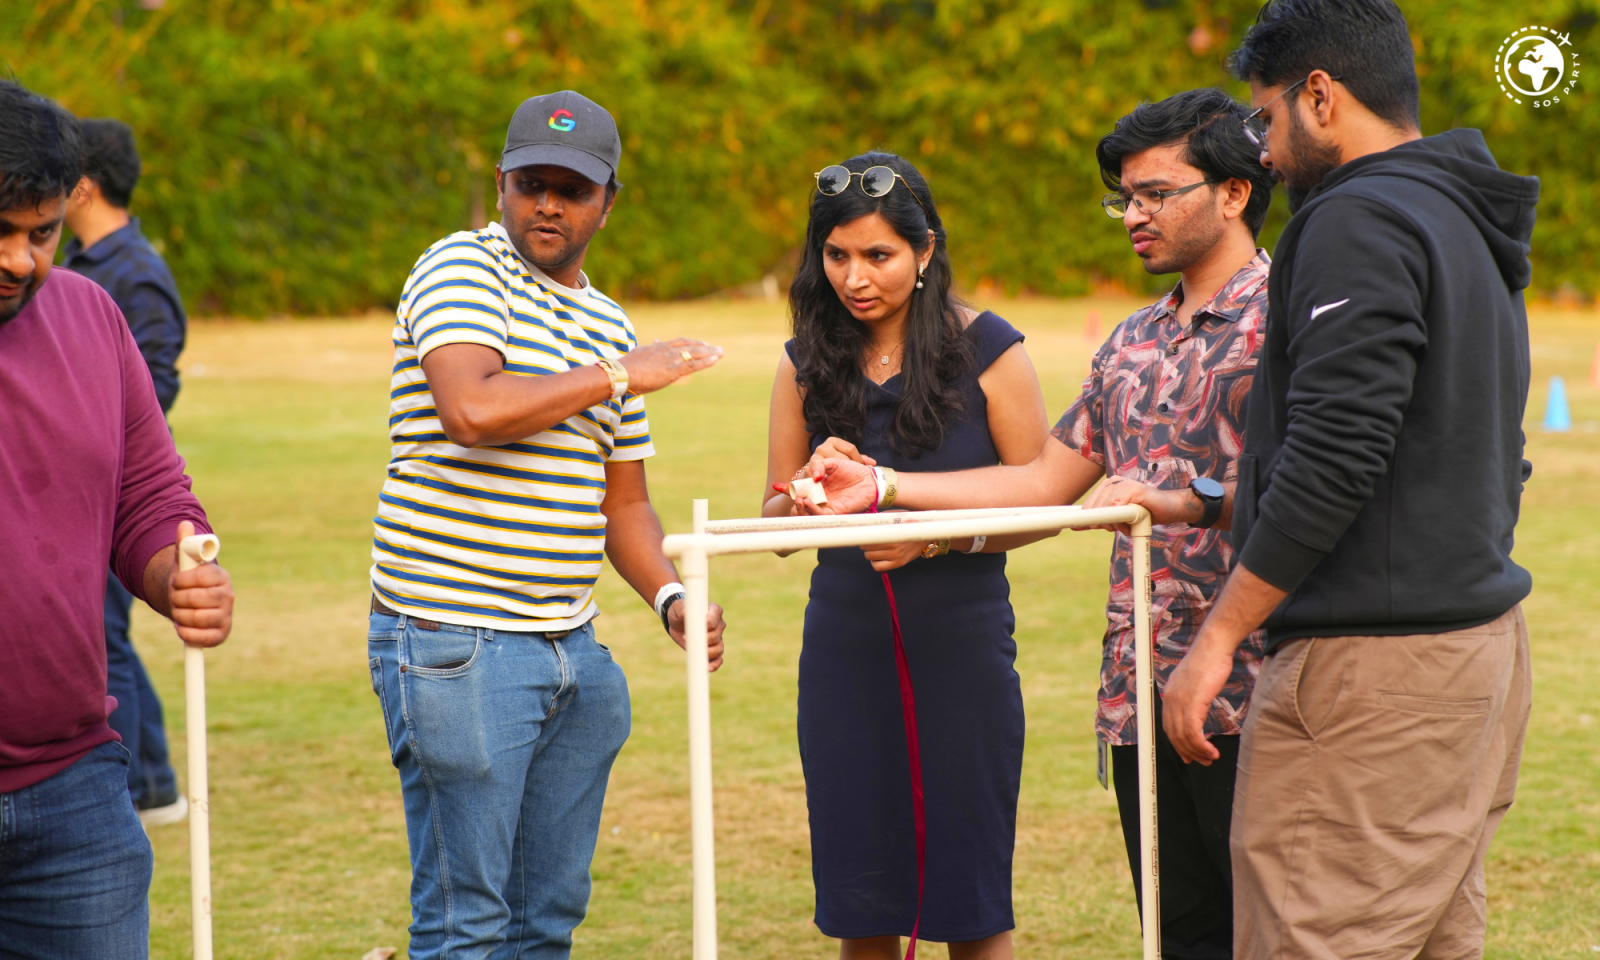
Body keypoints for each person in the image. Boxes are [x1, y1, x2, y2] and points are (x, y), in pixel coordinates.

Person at [792, 92, 1277, 958]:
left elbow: (1326, 479)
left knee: (1284, 932)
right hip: (1143, 688)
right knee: (1181, 936)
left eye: (1156, 194)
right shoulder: (1130, 343)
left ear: (1235, 192)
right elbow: (1046, 481)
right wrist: (884, 485)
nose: (1134, 215)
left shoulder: (1293, 319)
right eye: (1125, 198)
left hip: (1269, 684)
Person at [1155, 2, 1538, 958]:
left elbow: (1339, 451)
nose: (1263, 149)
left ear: (1319, 95)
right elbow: (1471, 445)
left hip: (1374, 674)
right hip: (1476, 651)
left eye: (1264, 118)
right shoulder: (1460, 212)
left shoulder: (1356, 218)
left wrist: (1217, 640)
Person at [367, 89, 728, 959]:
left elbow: (624, 503)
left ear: (610, 201)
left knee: (545, 922)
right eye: (532, 183)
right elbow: (471, 410)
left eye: (573, 189)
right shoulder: (462, 266)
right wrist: (619, 374)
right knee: (467, 924)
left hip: (573, 647)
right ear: (500, 182)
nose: (548, 205)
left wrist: (671, 596)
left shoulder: (607, 322)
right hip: (457, 640)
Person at [765, 151, 1051, 960]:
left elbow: (1046, 503)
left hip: (961, 645)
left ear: (925, 251)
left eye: (879, 255)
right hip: (844, 650)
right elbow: (775, 523)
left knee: (970, 898)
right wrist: (807, 487)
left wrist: (938, 536)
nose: (855, 278)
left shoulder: (990, 349)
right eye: (836, 255)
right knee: (862, 897)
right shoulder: (803, 361)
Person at [0, 80, 235, 958]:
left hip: (76, 796)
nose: (21, 260)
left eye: (42, 233)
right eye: (0, 230)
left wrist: (179, 575)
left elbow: (151, 497)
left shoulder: (93, 317)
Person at [62, 116, 191, 826]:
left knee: (106, 636)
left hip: (111, 492)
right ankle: (153, 778)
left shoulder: (135, 272)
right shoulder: (67, 265)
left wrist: (92, 445)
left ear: (80, 185)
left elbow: (155, 384)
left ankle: (142, 787)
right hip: (66, 491)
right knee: (101, 632)